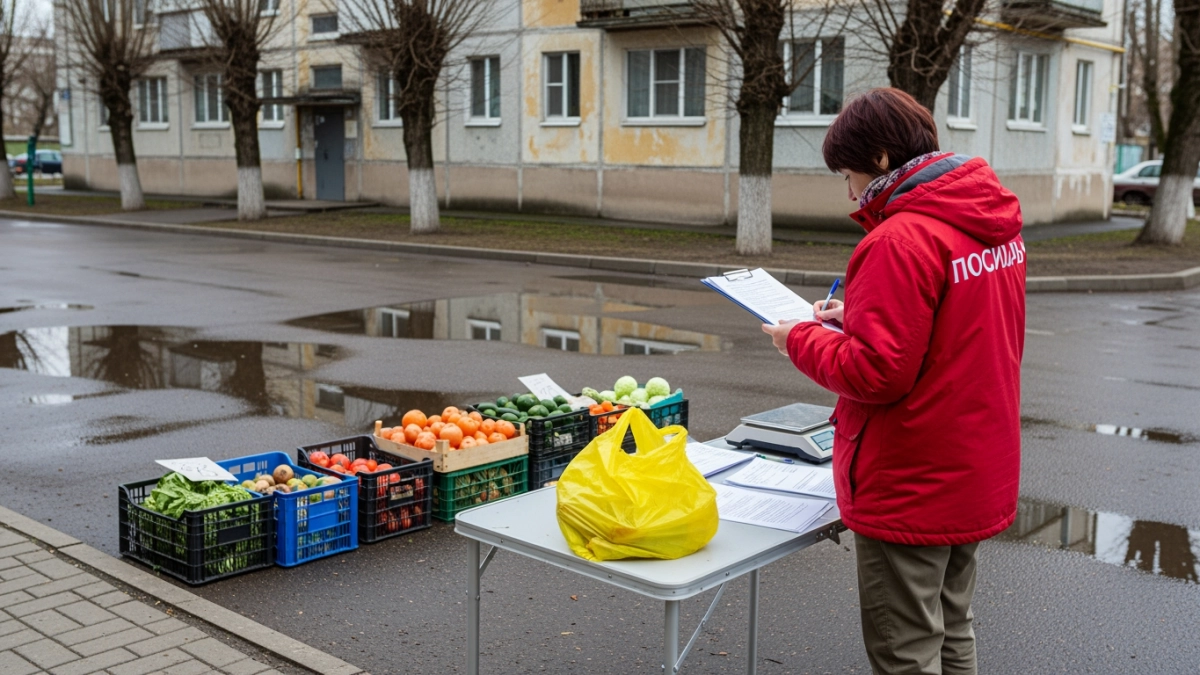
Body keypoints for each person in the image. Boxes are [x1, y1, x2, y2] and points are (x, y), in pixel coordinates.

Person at [762, 88, 1026, 675]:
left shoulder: (899, 239)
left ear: (880, 159)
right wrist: (855, 314)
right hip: (973, 463)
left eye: (849, 172)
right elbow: (954, 330)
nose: (849, 189)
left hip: (911, 478)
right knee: (952, 624)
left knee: (905, 649)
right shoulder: (990, 222)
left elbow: (876, 373)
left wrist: (798, 338)